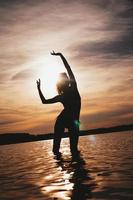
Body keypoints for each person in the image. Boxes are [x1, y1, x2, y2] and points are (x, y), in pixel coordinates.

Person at [36, 51, 81, 156]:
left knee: (73, 150)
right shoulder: (67, 93)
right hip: (65, 121)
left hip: (73, 122)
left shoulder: (70, 90)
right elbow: (44, 101)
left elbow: (44, 101)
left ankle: (66, 166)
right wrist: (39, 88)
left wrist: (61, 55)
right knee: (61, 150)